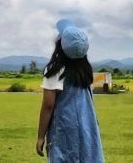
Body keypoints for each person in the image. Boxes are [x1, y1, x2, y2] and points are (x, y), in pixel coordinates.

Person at [36, 19, 104, 162]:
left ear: (60, 46)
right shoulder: (86, 70)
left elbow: (48, 106)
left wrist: (41, 136)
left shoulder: (55, 70)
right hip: (88, 127)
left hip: (64, 128)